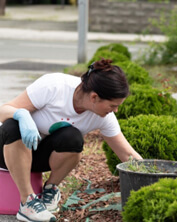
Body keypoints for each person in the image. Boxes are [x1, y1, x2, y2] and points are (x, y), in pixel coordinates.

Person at [0, 58, 142, 222]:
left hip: (35, 157)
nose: (115, 111)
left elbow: (127, 154)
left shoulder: (104, 117)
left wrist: (155, 179)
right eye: (113, 105)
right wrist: (21, 114)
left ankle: (50, 190)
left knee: (72, 137)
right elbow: (3, 110)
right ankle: (27, 202)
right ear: (94, 97)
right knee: (13, 125)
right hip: (5, 151)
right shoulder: (54, 86)